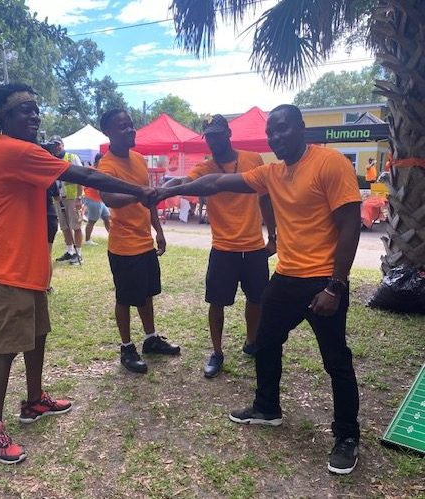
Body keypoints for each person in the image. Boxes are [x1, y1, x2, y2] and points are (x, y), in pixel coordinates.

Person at [155, 104, 362, 475]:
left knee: (336, 360)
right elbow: (216, 183)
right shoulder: (271, 173)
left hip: (323, 279)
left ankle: (347, 436)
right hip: (286, 276)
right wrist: (166, 189)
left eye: (283, 129)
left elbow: (350, 226)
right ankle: (267, 408)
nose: (276, 137)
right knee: (265, 342)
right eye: (271, 133)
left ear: (300, 127)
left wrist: (335, 286)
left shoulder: (330, 164)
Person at [0, 82, 155, 464]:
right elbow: (85, 177)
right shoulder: (13, 151)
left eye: (35, 108)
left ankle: (34, 401)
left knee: (37, 335)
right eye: (24, 109)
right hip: (5, 268)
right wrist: (139, 191)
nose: (34, 115)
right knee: (7, 347)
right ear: (3, 117)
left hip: (25, 266)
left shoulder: (20, 151)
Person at [163, 114, 276, 378]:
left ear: (228, 134)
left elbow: (265, 199)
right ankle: (217, 352)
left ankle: (252, 342)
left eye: (217, 135)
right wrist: (159, 190)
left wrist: (274, 236)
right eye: (209, 137)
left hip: (253, 246)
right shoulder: (205, 168)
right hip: (223, 248)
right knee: (216, 303)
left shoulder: (252, 158)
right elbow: (182, 182)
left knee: (257, 299)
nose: (214, 141)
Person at [98, 109, 180, 374]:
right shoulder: (107, 165)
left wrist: (159, 230)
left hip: (145, 242)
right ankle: (126, 347)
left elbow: (150, 200)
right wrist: (137, 195)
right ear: (109, 132)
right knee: (125, 298)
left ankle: (150, 339)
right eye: (122, 126)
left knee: (146, 294)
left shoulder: (140, 160)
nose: (130, 130)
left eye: (131, 125)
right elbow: (109, 198)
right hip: (123, 245)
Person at [51, 136, 84, 265]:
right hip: (59, 197)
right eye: (54, 144)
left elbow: (81, 177)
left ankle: (79, 253)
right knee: (64, 225)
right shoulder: (51, 159)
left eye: (58, 144)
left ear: (63, 144)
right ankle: (70, 251)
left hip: (72, 197)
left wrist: (79, 198)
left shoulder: (72, 157)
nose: (56, 147)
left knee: (75, 225)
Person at [83, 153, 111, 245]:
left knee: (107, 218)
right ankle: (87, 240)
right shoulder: (92, 170)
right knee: (92, 220)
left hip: (99, 199)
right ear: (98, 160)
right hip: (92, 198)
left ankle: (111, 237)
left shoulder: (101, 170)